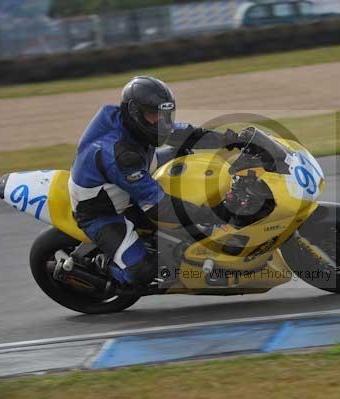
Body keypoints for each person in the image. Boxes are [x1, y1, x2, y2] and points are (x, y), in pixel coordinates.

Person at [68, 76, 239, 287]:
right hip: (103, 212)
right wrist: (211, 213)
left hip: (134, 172)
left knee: (186, 154)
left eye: (165, 115)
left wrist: (232, 140)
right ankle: (102, 268)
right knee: (143, 272)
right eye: (154, 115)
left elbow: (186, 134)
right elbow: (156, 206)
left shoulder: (137, 127)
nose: (162, 123)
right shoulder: (120, 153)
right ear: (134, 112)